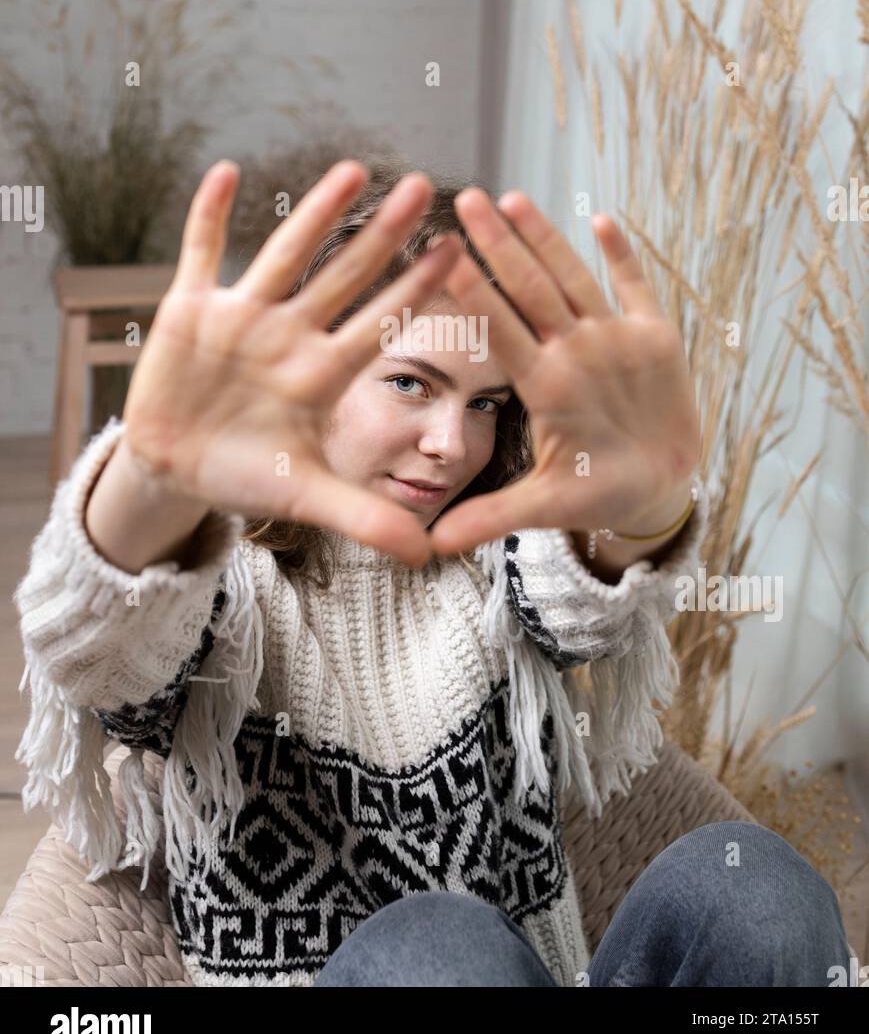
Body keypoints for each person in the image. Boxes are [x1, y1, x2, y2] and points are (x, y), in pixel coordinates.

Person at [14, 158, 853, 987]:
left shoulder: (485, 558)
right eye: (411, 383)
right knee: (438, 950)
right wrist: (154, 482)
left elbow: (581, 591)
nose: (454, 444)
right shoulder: (221, 588)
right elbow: (101, 645)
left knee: (757, 894)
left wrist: (647, 501)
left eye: (486, 403)